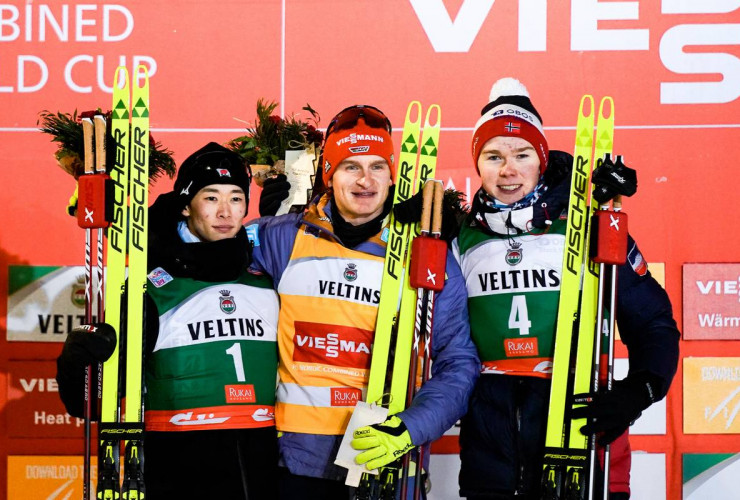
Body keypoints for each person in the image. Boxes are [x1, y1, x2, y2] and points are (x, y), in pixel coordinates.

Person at [448, 78, 680, 499]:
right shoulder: (459, 237)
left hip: (580, 444)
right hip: (491, 455)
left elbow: (652, 322)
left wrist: (639, 389)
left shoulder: (588, 223)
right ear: (476, 165)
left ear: (540, 160)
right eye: (493, 156)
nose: (508, 170)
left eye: (522, 155)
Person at [247, 104, 480, 499]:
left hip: (384, 462)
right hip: (297, 465)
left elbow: (457, 361)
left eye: (377, 167)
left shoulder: (425, 254)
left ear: (393, 176)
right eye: (351, 166)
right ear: (329, 174)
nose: (365, 180)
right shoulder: (281, 237)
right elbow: (204, 248)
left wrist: (409, 427)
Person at [56, 143, 280, 499]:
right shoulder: (153, 282)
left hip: (265, 463)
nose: (225, 212)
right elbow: (93, 402)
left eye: (236, 198)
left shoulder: (266, 275)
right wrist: (76, 359)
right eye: (211, 198)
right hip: (179, 463)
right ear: (187, 205)